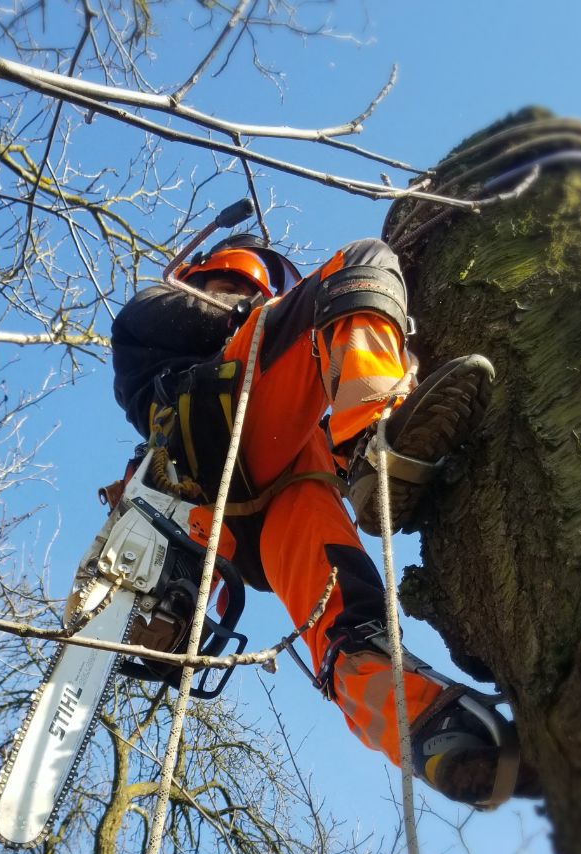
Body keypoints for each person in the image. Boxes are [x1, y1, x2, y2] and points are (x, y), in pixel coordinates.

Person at [110, 232, 533, 808]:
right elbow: (161, 324)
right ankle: (373, 432)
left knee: (349, 620)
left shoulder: (267, 357)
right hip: (204, 438)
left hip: (275, 499)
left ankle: (435, 733)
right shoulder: (159, 312)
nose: (240, 297)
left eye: (243, 289)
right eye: (227, 285)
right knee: (359, 266)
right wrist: (258, 309)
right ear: (199, 279)